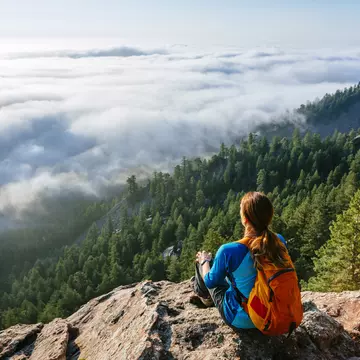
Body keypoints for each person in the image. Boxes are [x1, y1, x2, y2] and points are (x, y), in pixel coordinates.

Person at [192, 191, 289, 331]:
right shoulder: (279, 240)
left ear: (245, 219)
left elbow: (210, 281)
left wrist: (204, 261)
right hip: (274, 313)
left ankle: (205, 298)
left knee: (206, 269)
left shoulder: (229, 250)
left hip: (244, 319)